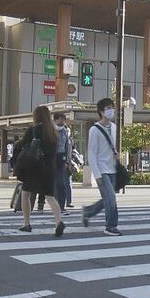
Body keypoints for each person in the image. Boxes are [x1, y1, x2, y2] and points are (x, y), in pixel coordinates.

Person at [16, 105, 65, 237]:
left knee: (26, 195)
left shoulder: (33, 130)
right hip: (49, 169)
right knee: (50, 197)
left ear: (36, 116)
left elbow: (22, 146)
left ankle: (27, 224)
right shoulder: (53, 132)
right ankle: (58, 221)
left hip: (33, 168)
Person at [82, 98, 122, 236]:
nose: (111, 110)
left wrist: (116, 154)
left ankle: (88, 212)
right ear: (101, 111)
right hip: (102, 170)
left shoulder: (115, 127)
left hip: (112, 168)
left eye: (112, 107)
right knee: (111, 198)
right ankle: (111, 226)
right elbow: (91, 153)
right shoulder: (94, 129)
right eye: (107, 108)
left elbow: (112, 147)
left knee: (107, 198)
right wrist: (97, 175)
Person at [53, 112, 73, 215]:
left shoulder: (65, 131)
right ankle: (42, 204)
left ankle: (61, 206)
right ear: (55, 120)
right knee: (53, 184)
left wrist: (67, 161)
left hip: (61, 159)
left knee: (62, 184)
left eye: (63, 120)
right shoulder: (51, 130)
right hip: (51, 159)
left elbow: (67, 147)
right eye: (60, 120)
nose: (62, 122)